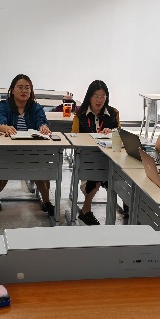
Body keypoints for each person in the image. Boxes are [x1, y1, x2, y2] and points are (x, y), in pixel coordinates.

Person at [0, 74, 54, 217]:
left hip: (32, 152)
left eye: (27, 88)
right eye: (20, 87)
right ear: (12, 90)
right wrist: (5, 127)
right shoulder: (4, 105)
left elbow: (41, 121)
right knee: (1, 172)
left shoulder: (35, 107)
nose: (24, 91)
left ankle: (47, 202)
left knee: (42, 169)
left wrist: (43, 127)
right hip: (9, 151)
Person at [71, 80, 120, 226]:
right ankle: (86, 210)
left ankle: (128, 207)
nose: (99, 100)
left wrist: (112, 132)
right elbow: (74, 140)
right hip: (87, 158)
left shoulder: (113, 113)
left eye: (103, 96)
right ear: (89, 97)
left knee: (122, 172)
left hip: (110, 157)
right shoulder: (79, 116)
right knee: (98, 169)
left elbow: (120, 137)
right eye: (96, 96)